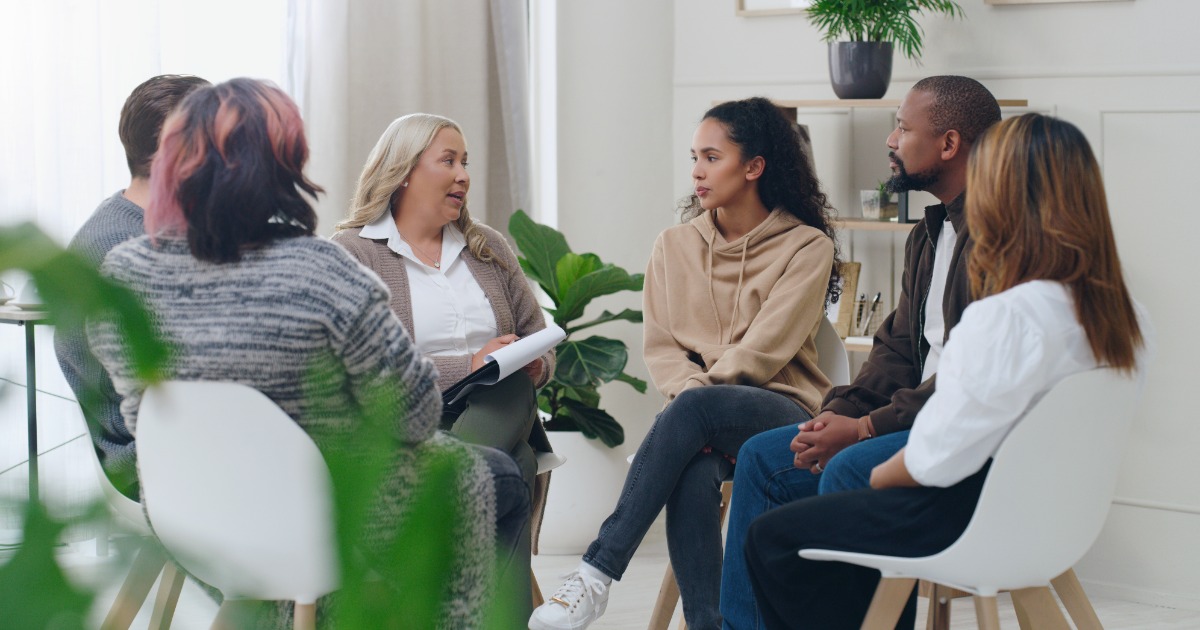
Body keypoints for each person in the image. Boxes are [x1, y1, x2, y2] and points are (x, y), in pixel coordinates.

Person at [86, 79, 528, 628]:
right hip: (326, 518)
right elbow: (414, 414)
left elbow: (140, 412)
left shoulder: (123, 275)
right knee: (501, 478)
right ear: (282, 168)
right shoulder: (321, 271)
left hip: (190, 518)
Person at [743, 112, 1151, 630]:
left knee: (773, 537)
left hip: (966, 516)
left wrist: (874, 469)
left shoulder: (1006, 315)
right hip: (1055, 517)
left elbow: (934, 460)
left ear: (1002, 195)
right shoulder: (1124, 316)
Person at [529, 97, 841, 630]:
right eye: (694, 156)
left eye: (712, 157)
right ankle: (708, 624)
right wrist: (693, 399)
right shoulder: (673, 246)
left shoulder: (806, 247)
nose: (696, 171)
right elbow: (662, 347)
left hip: (786, 412)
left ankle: (596, 573)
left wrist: (696, 397)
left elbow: (765, 349)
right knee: (694, 469)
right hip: (698, 412)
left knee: (696, 412)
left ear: (754, 166)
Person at [720, 76, 1002, 629]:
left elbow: (974, 382)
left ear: (948, 144)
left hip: (962, 443)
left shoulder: (999, 238)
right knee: (763, 457)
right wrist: (839, 413)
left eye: (902, 126)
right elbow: (895, 349)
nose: (891, 140)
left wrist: (866, 429)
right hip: (910, 425)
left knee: (850, 464)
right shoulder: (928, 235)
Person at [330, 113, 552, 615]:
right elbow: (363, 371)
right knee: (511, 470)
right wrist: (470, 364)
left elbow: (538, 336)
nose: (463, 175)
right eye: (448, 161)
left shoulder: (488, 248)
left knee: (511, 387)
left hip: (499, 406)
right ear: (405, 171)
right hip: (407, 425)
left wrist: (535, 363)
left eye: (466, 163)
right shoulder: (352, 254)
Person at [54, 74, 209, 499]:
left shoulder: (160, 231)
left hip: (186, 445)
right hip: (153, 460)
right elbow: (175, 389)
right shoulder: (117, 249)